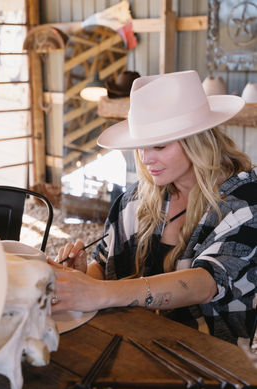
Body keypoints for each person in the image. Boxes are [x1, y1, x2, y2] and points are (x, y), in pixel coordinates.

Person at [49, 70, 257, 345]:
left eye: (159, 146)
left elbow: (207, 283)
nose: (146, 159)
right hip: (132, 341)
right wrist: (84, 278)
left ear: (197, 142)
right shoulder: (137, 197)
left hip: (210, 359)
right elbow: (105, 261)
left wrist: (100, 292)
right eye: (141, 147)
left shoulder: (244, 197)